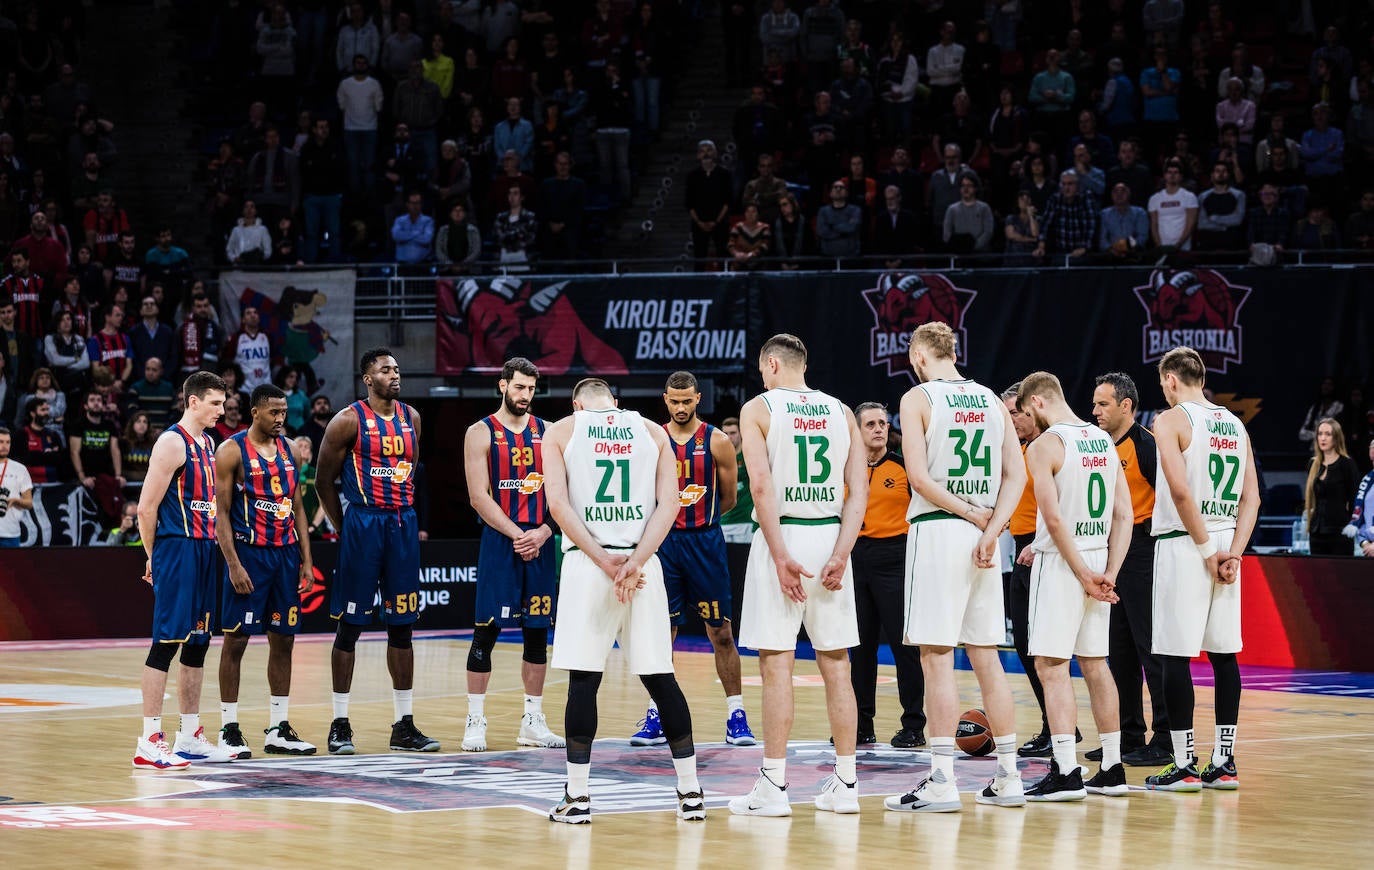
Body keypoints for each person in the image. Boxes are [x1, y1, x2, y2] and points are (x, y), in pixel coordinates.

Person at [541, 376, 704, 824]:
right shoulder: (653, 431)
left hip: (588, 566)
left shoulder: (559, 432)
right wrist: (634, 562)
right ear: (616, 403)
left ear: (577, 404)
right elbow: (670, 505)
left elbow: (557, 505)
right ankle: (690, 793)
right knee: (660, 678)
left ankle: (577, 799)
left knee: (583, 681)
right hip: (643, 566)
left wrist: (606, 562)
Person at [886, 322, 1026, 813]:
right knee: (986, 656)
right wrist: (991, 530)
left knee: (937, 658)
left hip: (942, 529)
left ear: (921, 356)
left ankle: (942, 780)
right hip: (986, 537)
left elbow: (920, 479)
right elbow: (1018, 474)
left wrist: (969, 514)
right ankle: (1009, 777)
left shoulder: (917, 397)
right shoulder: (991, 399)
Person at [730, 333, 867, 817]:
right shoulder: (841, 411)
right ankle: (847, 784)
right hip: (831, 539)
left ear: (771, 364)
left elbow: (762, 486)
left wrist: (781, 554)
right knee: (837, 665)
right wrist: (843, 552)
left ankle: (773, 786)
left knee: (776, 665)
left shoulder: (759, 409)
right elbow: (859, 491)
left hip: (783, 538)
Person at [1145, 347, 1260, 792]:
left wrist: (1206, 549)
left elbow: (1178, 490)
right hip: (1228, 543)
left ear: (1171, 380)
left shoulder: (1171, 419)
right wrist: (1234, 551)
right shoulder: (1235, 423)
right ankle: (1225, 760)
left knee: (1175, 654)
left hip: (1185, 545)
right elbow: (1252, 497)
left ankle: (1184, 762)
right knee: (1224, 655)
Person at [1016, 373, 1133, 800]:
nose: (1028, 421)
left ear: (1038, 403)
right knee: (1096, 663)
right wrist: (1108, 573)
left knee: (1051, 665)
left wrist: (1083, 573)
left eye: (1027, 413)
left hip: (1067, 565)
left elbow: (1053, 519)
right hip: (1100, 558)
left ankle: (1065, 770)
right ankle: (1113, 765)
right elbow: (1124, 515)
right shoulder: (1103, 440)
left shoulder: (1047, 445)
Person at [316, 348, 438, 756]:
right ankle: (340, 722)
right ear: (367, 378)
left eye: (397, 369)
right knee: (350, 625)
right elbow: (322, 481)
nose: (394, 374)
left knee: (402, 625)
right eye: (385, 369)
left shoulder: (412, 418)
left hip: (401, 523)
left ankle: (403, 725)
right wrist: (345, 525)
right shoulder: (347, 421)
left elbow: (411, 469)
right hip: (363, 524)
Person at [629, 371, 754, 747]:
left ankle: (736, 714)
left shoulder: (717, 441)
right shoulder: (652, 439)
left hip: (705, 541)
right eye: (674, 401)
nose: (681, 407)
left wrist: (699, 517)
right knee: (661, 633)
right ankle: (657, 713)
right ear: (664, 399)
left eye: (687, 401)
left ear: (699, 398)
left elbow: (728, 499)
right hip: (663, 544)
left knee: (721, 631)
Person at [460, 357, 564, 753]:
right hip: (502, 544)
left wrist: (543, 531)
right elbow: (477, 496)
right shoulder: (479, 432)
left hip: (539, 542)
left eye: (532, 389)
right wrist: (519, 534)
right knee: (485, 631)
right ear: (503, 386)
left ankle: (533, 722)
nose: (525, 395)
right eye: (519, 387)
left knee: (537, 634)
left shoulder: (551, 432)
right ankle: (475, 719)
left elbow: (562, 493)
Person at [133, 371, 236, 769]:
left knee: (198, 642)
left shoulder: (209, 443)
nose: (221, 410)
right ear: (192, 401)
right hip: (177, 549)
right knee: (166, 642)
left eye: (223, 403)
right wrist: (153, 556)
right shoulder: (171, 443)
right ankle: (149, 737)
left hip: (204, 549)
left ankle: (189, 734)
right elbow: (146, 508)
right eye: (215, 403)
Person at [213, 384, 317, 759]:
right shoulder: (230, 452)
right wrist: (234, 563)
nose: (279, 419)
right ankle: (229, 728)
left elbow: (298, 508)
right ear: (254, 412)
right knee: (237, 640)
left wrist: (306, 559)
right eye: (273, 413)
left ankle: (278, 728)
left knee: (284, 639)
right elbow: (220, 514)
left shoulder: (290, 449)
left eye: (284, 413)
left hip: (285, 556)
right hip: (249, 556)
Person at [1091, 373, 1172, 767]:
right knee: (1118, 650)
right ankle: (1127, 734)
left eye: (1103, 404)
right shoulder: (1098, 447)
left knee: (1151, 647)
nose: (1095, 411)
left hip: (1144, 549)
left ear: (1126, 406)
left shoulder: (1147, 446)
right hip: (1112, 551)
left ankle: (1167, 738)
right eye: (1094, 403)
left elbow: (1173, 499)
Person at [850, 402, 924, 748]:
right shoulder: (845, 469)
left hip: (895, 556)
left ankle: (913, 725)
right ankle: (861, 725)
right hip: (856, 557)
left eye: (883, 422)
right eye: (871, 424)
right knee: (860, 647)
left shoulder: (904, 467)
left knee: (903, 646)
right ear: (857, 428)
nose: (879, 428)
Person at [1001, 384, 1052, 756]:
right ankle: (1055, 725)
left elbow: (1065, 503)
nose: (1011, 421)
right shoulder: (1018, 449)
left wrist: (1041, 542)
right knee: (1023, 644)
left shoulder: (1049, 446)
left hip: (1044, 549)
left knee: (1045, 647)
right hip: (1020, 548)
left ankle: (1057, 728)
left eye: (1015, 413)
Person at [1304, 418, 1360, 556]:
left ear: (1336, 438)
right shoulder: (1313, 464)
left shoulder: (1347, 464)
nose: (1323, 438)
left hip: (1339, 532)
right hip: (1316, 532)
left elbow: (1355, 499)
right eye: (1320, 434)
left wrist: (1354, 524)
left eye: (1328, 434)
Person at [70, 390, 125, 522]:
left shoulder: (109, 425)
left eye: (99, 400)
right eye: (92, 400)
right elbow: (74, 452)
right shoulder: (78, 425)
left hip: (105, 475)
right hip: (86, 476)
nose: (96, 403)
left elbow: (115, 449)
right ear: (85, 406)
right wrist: (82, 477)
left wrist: (118, 475)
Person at [718, 415, 755, 542]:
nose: (728, 437)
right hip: (723, 521)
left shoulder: (751, 456)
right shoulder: (715, 457)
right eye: (725, 433)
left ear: (740, 433)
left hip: (745, 521)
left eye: (733, 433)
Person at [1149, 160, 1199, 251]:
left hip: (1183, 248)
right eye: (1169, 172)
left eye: (1176, 172)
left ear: (1181, 176)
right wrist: (1159, 245)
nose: (1172, 175)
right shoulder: (1155, 198)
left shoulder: (1189, 197)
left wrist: (1179, 244)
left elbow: (1190, 224)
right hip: (1162, 247)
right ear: (1165, 175)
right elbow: (1154, 224)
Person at [0, 426, 34, 547]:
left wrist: (14, 501)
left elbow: (29, 503)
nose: (5, 445)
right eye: (1, 442)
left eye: (7, 442)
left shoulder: (20, 469)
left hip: (10, 533)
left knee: (11, 566)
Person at [1345, 436, 1374, 555]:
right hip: (1368, 551)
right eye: (1372, 460)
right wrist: (1365, 543)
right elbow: (1361, 519)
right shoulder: (1367, 481)